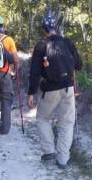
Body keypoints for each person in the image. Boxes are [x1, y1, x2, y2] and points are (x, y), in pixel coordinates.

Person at [27, 15, 82, 169]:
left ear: (44, 29)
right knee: (66, 122)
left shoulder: (41, 45)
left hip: (50, 89)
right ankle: (63, 159)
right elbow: (79, 64)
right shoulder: (67, 43)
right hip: (68, 88)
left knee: (42, 118)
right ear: (56, 28)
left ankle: (49, 151)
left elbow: (35, 71)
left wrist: (31, 93)